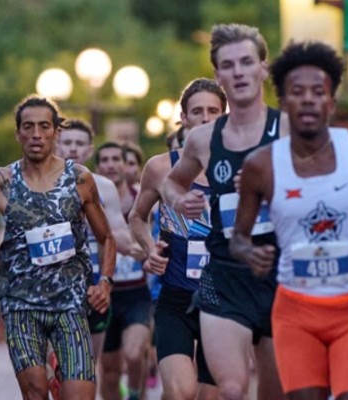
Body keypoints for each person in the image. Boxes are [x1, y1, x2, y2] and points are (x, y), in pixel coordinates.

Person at [229, 40, 348, 400]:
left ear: (331, 103)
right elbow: (238, 238)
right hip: (296, 311)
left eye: (318, 92)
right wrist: (249, 253)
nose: (307, 100)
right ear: (283, 102)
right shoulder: (262, 165)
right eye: (296, 92)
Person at [0, 96, 115, 400]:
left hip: (70, 301)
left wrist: (105, 282)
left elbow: (106, 237)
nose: (36, 134)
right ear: (18, 134)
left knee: (80, 395)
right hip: (21, 304)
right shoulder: (0, 182)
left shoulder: (79, 179)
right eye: (28, 127)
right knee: (36, 391)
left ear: (56, 132)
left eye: (44, 126)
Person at [158, 23, 285, 400]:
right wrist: (179, 200)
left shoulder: (288, 129)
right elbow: (171, 183)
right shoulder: (202, 139)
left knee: (278, 392)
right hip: (225, 274)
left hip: (280, 272)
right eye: (228, 65)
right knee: (229, 389)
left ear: (263, 68)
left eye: (247, 62)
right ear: (218, 75)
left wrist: (272, 183)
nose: (238, 72)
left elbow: (324, 188)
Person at [129, 78, 225, 400]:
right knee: (181, 391)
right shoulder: (160, 167)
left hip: (224, 302)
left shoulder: (241, 167)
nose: (205, 117)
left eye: (213, 111)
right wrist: (149, 249)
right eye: (197, 111)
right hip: (175, 298)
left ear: (224, 116)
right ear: (183, 117)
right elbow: (137, 217)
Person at [54, 119, 138, 365]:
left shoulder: (103, 187)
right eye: (67, 142)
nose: (73, 148)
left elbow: (120, 237)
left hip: (91, 288)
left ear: (90, 150)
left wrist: (148, 252)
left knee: (87, 367)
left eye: (79, 143)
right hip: (51, 288)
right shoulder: (40, 185)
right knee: (54, 368)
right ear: (56, 145)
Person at [93, 142, 149, 400]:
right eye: (104, 160)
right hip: (105, 294)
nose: (111, 165)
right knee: (110, 372)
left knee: (135, 354)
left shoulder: (143, 198)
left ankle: (136, 394)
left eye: (116, 159)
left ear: (126, 165)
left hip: (137, 293)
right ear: (97, 167)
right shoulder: (90, 198)